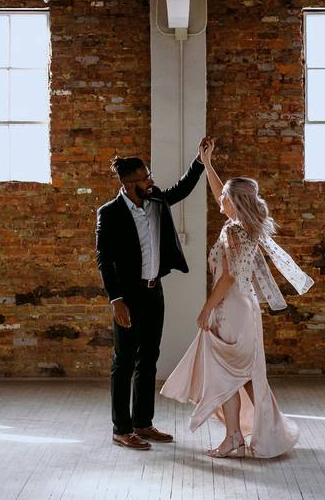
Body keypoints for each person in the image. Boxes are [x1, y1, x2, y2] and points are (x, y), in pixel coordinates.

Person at [160, 139, 314, 458]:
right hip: (246, 308)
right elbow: (220, 194)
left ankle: (234, 438)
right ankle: (259, 431)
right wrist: (208, 163)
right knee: (240, 376)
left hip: (230, 308)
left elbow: (228, 276)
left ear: (235, 202)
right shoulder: (246, 226)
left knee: (226, 375)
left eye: (225, 199)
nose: (219, 201)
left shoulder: (233, 231)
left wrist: (205, 309)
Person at [95, 139, 210, 450]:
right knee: (124, 363)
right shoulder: (109, 213)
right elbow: (104, 259)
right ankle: (121, 429)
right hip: (127, 298)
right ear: (131, 183)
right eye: (146, 177)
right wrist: (115, 300)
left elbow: (181, 190)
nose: (151, 180)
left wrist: (199, 161)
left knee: (149, 359)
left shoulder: (156, 200)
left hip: (154, 292)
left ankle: (143, 423)